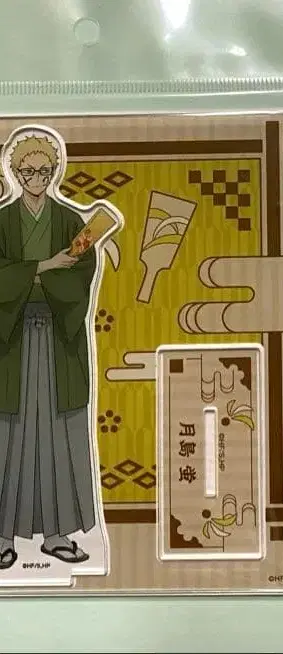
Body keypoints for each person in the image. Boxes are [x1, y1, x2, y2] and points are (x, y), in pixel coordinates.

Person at [0, 133, 99, 569]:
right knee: (8, 434)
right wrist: (43, 267)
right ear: (16, 173)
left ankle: (56, 534)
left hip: (59, 340)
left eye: (44, 170)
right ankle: (2, 535)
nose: (36, 178)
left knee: (58, 432)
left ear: (54, 171)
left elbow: (82, 273)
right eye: (28, 171)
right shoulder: (3, 221)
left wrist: (30, 277)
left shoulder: (71, 221)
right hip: (11, 341)